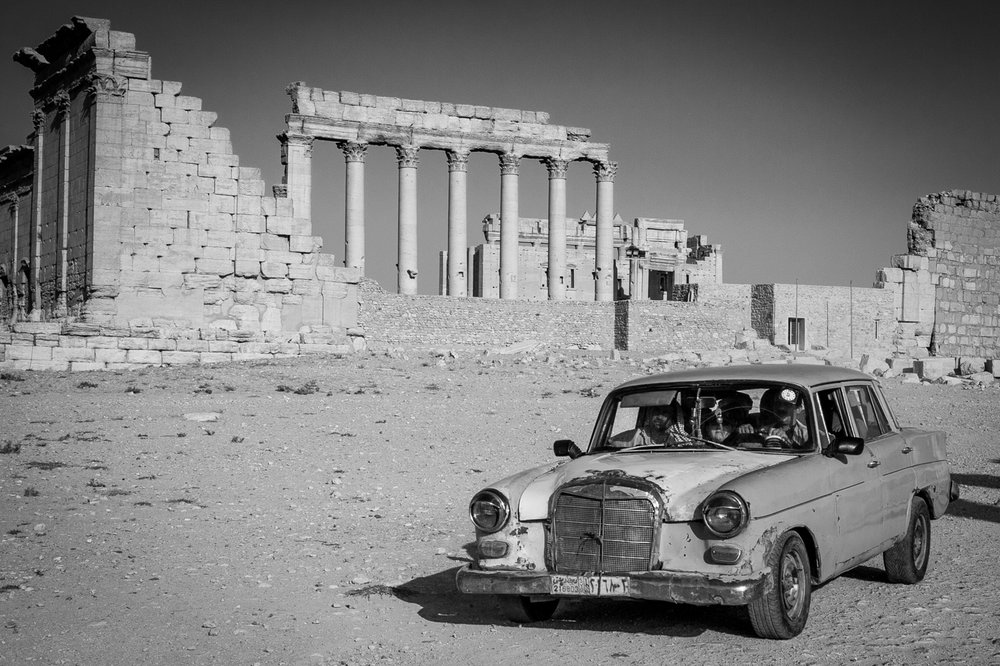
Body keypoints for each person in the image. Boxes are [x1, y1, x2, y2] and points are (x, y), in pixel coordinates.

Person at [609, 404, 691, 448]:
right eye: (656, 411)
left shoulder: (682, 442)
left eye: (665, 413)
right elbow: (609, 447)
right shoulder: (634, 437)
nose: (659, 416)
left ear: (674, 417)